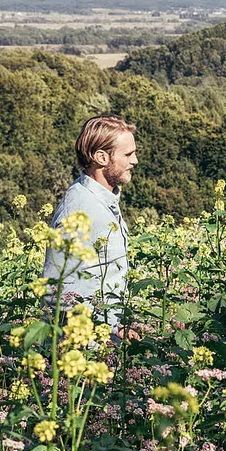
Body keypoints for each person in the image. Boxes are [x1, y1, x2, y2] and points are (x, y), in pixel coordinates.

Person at [42, 114, 137, 326]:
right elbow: (55, 291)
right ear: (102, 158)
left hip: (108, 339)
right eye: (128, 154)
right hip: (87, 347)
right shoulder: (78, 211)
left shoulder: (104, 200)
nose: (135, 161)